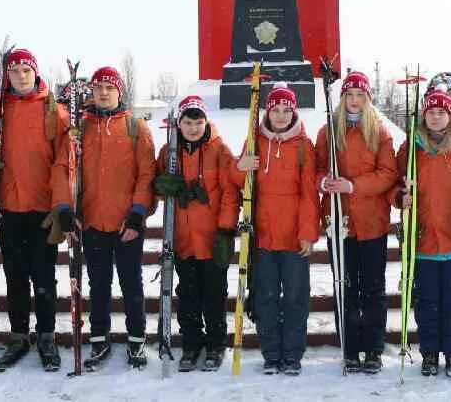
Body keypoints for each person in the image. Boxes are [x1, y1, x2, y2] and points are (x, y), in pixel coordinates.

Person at [0, 48, 71, 372]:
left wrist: (61, 203)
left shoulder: (54, 110)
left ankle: (47, 335)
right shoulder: (0, 110)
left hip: (42, 209)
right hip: (10, 207)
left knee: (44, 277)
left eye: (26, 70)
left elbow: (64, 162)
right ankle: (19, 335)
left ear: (35, 73)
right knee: (15, 276)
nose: (21, 76)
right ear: (6, 76)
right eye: (14, 71)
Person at [396, 89, 451, 378]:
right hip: (423, 239)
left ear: (450, 116)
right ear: (424, 116)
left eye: (441, 112)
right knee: (427, 301)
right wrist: (400, 198)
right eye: (431, 112)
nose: (435, 117)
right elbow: (395, 186)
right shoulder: (411, 149)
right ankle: (430, 353)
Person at [71, 66, 156, 370]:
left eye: (109, 88)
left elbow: (146, 175)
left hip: (126, 223)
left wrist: (137, 215)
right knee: (99, 284)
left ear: (119, 91)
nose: (103, 93)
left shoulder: (136, 127)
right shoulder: (80, 128)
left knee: (132, 284)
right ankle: (99, 337)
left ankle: (136, 339)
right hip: (93, 220)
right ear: (91, 93)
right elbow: (69, 171)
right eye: (98, 89)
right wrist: (72, 209)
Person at [233, 82, 319, 375]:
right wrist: (240, 166)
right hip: (264, 234)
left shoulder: (304, 147)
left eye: (286, 110)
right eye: (275, 110)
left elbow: (310, 193)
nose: (281, 116)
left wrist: (308, 231)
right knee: (266, 296)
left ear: (294, 112)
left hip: (294, 235)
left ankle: (292, 354)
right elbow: (238, 183)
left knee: (295, 296)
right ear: (267, 112)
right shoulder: (254, 140)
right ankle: (271, 353)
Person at [314, 71, 397, 373]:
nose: (354, 100)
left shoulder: (379, 131)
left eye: (360, 95)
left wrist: (353, 186)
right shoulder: (328, 131)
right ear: (342, 98)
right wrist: (324, 182)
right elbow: (317, 167)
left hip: (372, 221)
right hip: (341, 221)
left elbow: (388, 174)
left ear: (367, 98)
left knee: (372, 288)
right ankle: (350, 348)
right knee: (345, 286)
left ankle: (373, 348)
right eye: (349, 95)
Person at [152, 95, 240, 372]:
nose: (193, 128)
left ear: (206, 122)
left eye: (198, 122)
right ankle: (191, 343)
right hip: (182, 238)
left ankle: (216, 344)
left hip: (212, 237)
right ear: (179, 123)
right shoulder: (170, 152)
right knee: (187, 293)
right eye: (188, 122)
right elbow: (156, 185)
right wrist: (162, 185)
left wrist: (226, 228)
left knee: (214, 293)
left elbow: (229, 192)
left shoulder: (219, 151)